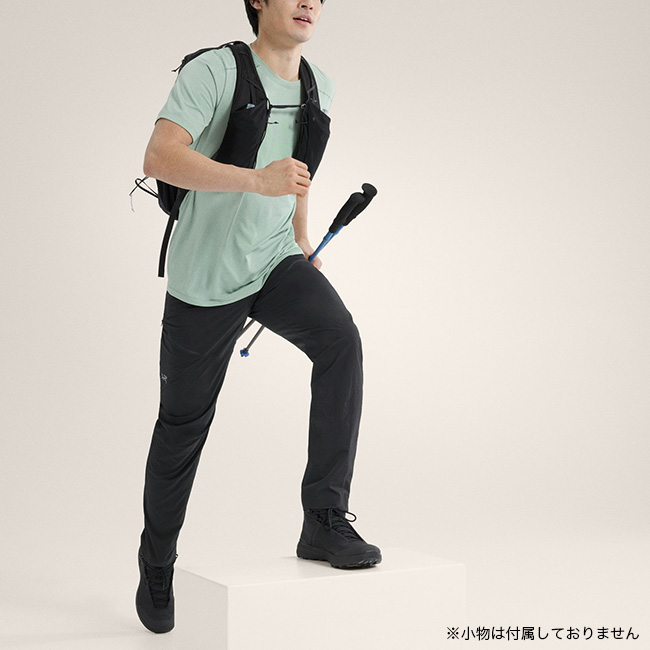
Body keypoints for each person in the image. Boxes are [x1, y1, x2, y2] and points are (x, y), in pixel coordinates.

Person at [135, 0, 381, 635]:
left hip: (274, 261)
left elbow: (297, 175)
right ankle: (157, 563)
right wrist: (254, 181)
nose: (309, 3)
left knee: (341, 343)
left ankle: (323, 519)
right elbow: (159, 157)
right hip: (205, 278)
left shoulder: (319, 85)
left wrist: (300, 242)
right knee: (183, 426)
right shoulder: (215, 72)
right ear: (257, 1)